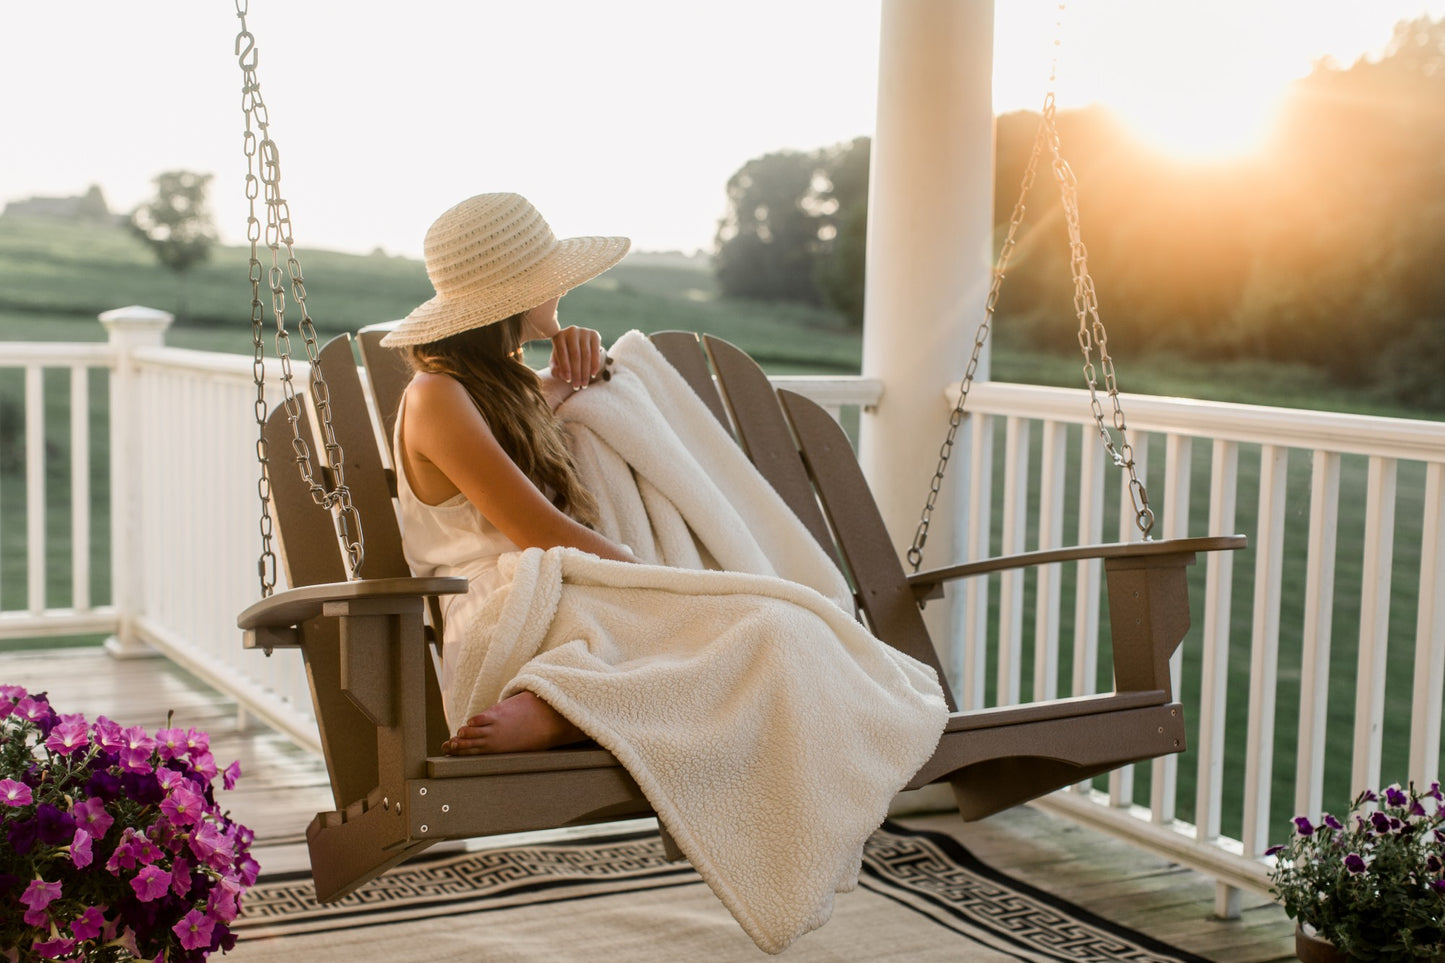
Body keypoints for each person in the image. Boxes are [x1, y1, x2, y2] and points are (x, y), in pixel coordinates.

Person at [380, 192, 640, 755]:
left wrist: (581, 364)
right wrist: (653, 580)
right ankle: (560, 708)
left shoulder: (496, 391)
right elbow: (538, 530)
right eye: (551, 277)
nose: (562, 288)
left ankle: (575, 702)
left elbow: (539, 407)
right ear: (514, 296)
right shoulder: (435, 396)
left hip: (552, 593)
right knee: (742, 630)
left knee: (767, 634)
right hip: (505, 615)